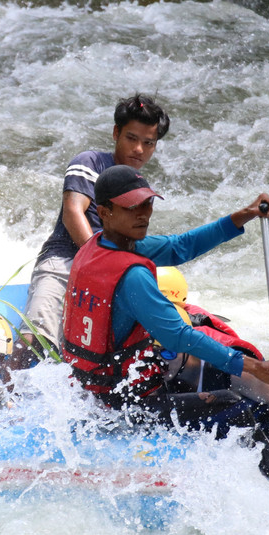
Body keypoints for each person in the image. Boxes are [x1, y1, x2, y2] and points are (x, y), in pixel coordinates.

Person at [61, 165, 269, 481]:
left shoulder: (98, 245)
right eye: (132, 207)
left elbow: (180, 247)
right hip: (123, 405)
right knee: (237, 407)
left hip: (102, 386)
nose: (143, 214)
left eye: (147, 203)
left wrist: (242, 216)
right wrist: (253, 367)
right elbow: (178, 336)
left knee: (264, 387)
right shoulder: (133, 277)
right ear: (104, 212)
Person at [23, 93, 170, 354]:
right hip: (65, 262)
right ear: (116, 133)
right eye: (131, 138)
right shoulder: (89, 162)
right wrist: (99, 265)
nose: (138, 149)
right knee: (36, 340)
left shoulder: (140, 186)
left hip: (109, 275)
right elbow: (72, 212)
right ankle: (7, 393)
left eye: (148, 143)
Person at [155, 266, 269, 471]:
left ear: (189, 348)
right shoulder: (151, 355)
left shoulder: (224, 365)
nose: (160, 362)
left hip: (251, 423)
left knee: (228, 400)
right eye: (153, 353)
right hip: (204, 415)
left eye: (168, 353)